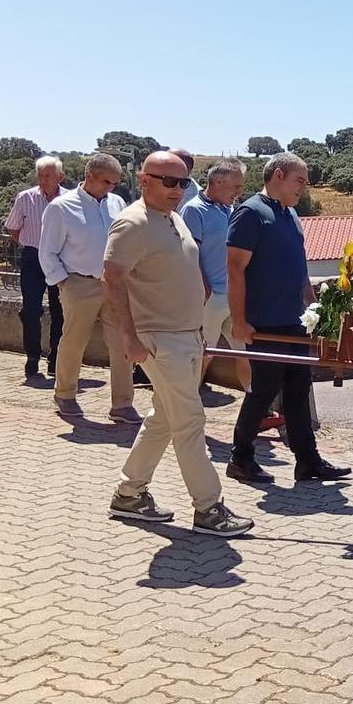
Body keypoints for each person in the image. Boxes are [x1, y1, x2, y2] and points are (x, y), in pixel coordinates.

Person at [104, 151, 252, 537]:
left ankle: (129, 494)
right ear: (144, 180)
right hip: (158, 340)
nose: (177, 190)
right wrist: (129, 338)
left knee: (165, 419)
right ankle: (209, 507)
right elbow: (113, 279)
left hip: (185, 336)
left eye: (183, 182)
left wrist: (197, 333)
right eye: (168, 182)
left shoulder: (174, 219)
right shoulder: (132, 223)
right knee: (189, 420)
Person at [227, 152, 351, 484]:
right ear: (278, 175)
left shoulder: (291, 214)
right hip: (265, 320)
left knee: (298, 390)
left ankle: (307, 461)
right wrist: (239, 321)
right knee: (263, 391)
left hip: (295, 320)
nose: (305, 188)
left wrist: (313, 309)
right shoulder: (251, 213)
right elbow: (235, 269)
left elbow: (299, 268)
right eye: (300, 180)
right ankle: (240, 459)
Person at [38, 153, 138, 423]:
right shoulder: (61, 207)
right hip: (78, 283)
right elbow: (47, 252)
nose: (111, 188)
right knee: (74, 341)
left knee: (121, 343)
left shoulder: (116, 202)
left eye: (115, 183)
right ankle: (66, 394)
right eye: (107, 181)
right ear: (89, 176)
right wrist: (64, 282)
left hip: (115, 284)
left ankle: (122, 404)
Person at [179, 159, 251, 392]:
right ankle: (186, 402)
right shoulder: (193, 209)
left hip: (232, 295)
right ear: (218, 182)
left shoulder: (229, 210)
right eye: (236, 186)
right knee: (204, 352)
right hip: (211, 298)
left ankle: (256, 402)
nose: (240, 192)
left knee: (245, 350)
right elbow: (191, 253)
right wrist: (205, 289)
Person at [6, 156, 68, 378]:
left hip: (61, 258)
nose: (43, 180)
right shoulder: (25, 198)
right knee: (31, 310)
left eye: (48, 176)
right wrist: (29, 245)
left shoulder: (70, 200)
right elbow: (13, 228)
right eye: (40, 175)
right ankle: (32, 357)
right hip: (33, 257)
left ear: (60, 177)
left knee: (60, 310)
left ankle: (56, 359)